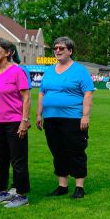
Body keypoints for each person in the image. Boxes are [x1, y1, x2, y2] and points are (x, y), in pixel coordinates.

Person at [37, 36, 93, 199]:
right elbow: (42, 93)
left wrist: (85, 116)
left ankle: (79, 187)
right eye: (55, 48)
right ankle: (62, 185)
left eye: (61, 48)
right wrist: (38, 114)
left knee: (75, 151)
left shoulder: (80, 70)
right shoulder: (49, 71)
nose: (57, 51)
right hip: (51, 118)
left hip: (72, 118)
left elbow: (88, 94)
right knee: (57, 151)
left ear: (70, 51)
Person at [0, 37, 31, 208]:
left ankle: (21, 195)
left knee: (17, 160)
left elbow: (26, 97)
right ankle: (2, 192)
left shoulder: (17, 72)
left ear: (8, 52)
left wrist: (24, 121)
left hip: (14, 122)